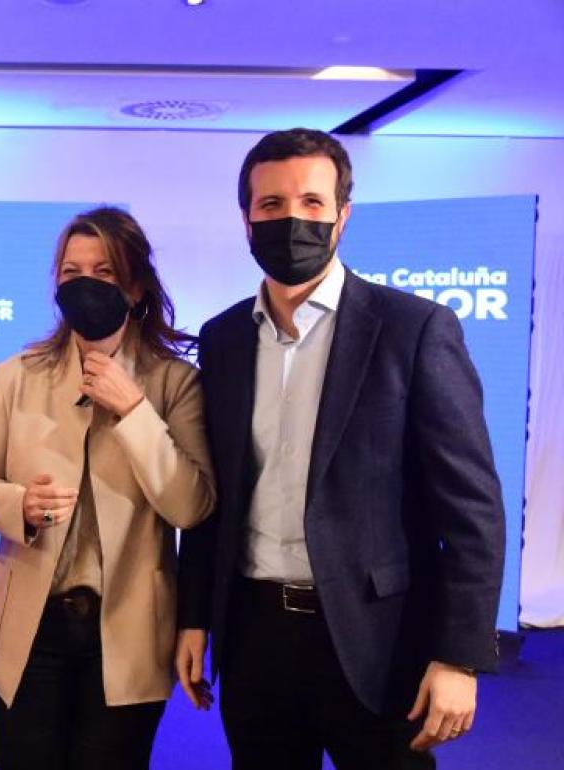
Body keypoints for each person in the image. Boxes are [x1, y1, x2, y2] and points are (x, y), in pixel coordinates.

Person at [175, 128, 506, 769]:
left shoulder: (414, 329)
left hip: (380, 640)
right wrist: (195, 617)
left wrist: (459, 655)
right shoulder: (223, 338)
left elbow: (473, 511)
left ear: (342, 215)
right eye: (271, 204)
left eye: (311, 202)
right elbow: (216, 497)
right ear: (246, 219)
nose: (291, 219)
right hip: (254, 637)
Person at [0, 207, 215, 769]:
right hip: (30, 629)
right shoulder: (15, 376)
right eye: (71, 272)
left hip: (126, 631)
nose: (84, 285)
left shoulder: (176, 382)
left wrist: (135, 410)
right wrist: (17, 504)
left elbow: (191, 507)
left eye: (104, 272)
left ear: (136, 287)